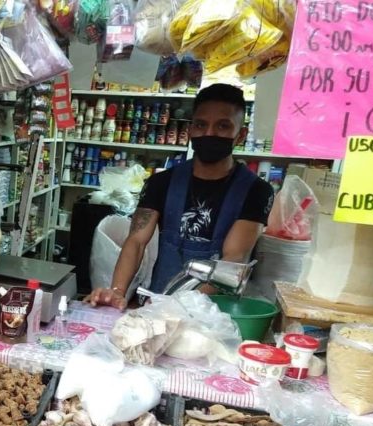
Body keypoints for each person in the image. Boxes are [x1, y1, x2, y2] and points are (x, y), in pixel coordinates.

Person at [86, 83, 274, 309]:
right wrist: (117, 291)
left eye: (223, 126)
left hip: (214, 313)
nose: (209, 133)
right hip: (158, 303)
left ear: (240, 135)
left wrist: (179, 307)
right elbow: (136, 241)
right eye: (201, 125)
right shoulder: (161, 182)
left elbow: (233, 260)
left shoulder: (255, 190)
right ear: (191, 129)